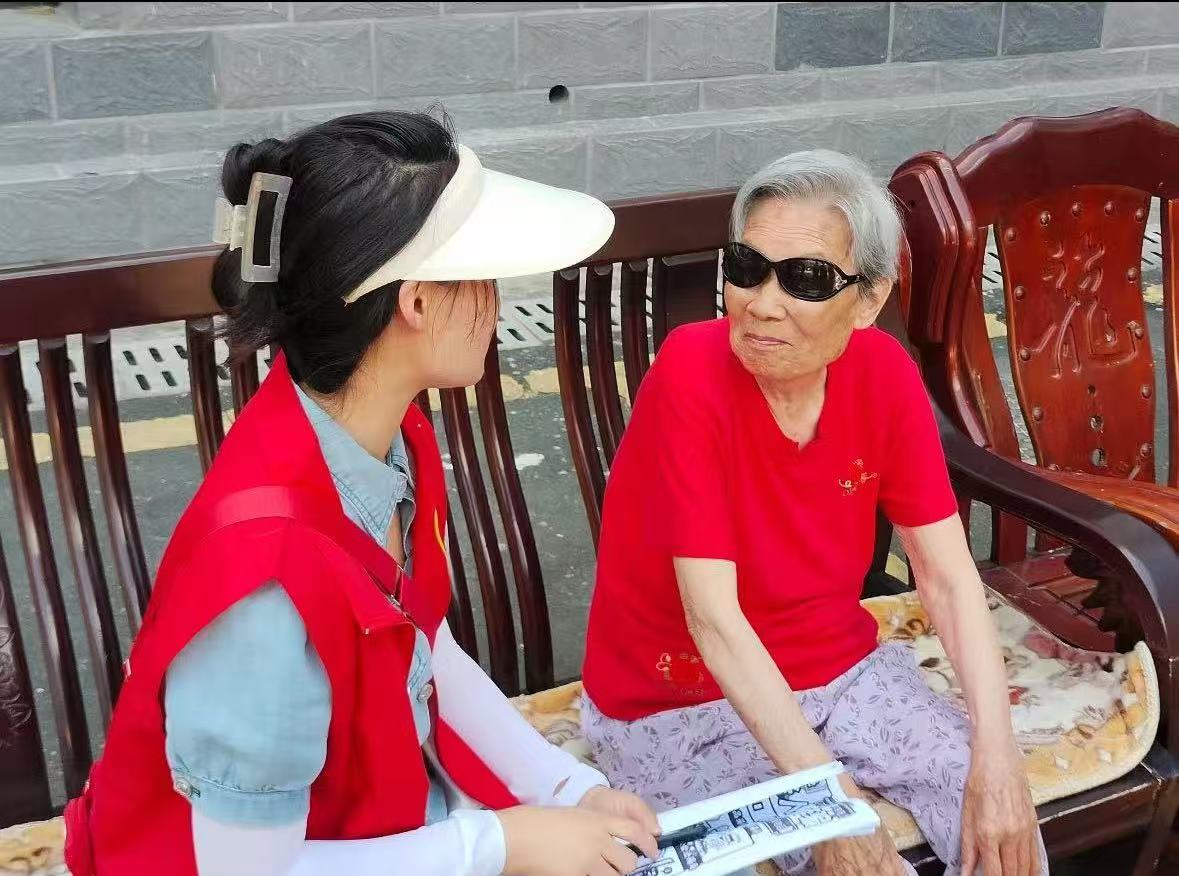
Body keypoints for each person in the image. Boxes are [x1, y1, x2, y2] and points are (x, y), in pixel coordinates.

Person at [64, 111, 659, 876]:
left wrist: (567, 786)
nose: (496, 301)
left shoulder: (381, 436)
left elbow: (421, 641)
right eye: (481, 275)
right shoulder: (263, 589)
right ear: (417, 302)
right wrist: (503, 844)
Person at [580, 150, 1046, 876]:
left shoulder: (883, 375)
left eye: (805, 279)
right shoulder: (689, 372)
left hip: (841, 669)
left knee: (999, 827)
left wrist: (998, 756)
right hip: (680, 701)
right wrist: (829, 799)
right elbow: (713, 621)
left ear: (867, 300)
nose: (763, 303)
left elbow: (948, 578)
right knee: (847, 862)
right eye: (746, 268)